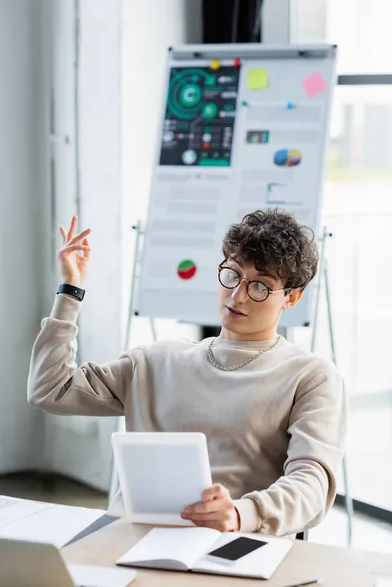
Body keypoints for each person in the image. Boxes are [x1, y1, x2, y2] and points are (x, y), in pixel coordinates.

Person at [27, 210, 347, 536]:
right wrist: (70, 291)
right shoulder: (157, 360)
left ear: (291, 297)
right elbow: (50, 388)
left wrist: (242, 514)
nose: (238, 295)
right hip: (128, 539)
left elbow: (312, 482)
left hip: (232, 546)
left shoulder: (310, 376)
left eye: (261, 287)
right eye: (233, 275)